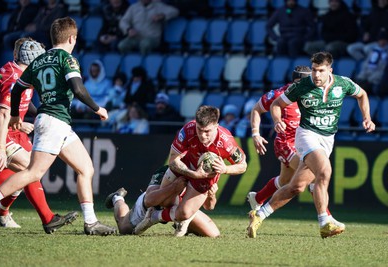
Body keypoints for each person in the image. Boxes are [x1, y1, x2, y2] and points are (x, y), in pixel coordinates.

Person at [0, 17, 116, 236]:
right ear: (72, 38)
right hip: (53, 121)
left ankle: (91, 222)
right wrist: (97, 109)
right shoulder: (68, 59)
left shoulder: (37, 61)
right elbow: (77, 89)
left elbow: (18, 89)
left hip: (57, 122)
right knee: (32, 172)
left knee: (86, 168)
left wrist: (17, 115)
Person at [247, 51, 375, 239]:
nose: (316, 75)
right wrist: (273, 122)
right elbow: (275, 105)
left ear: (330, 70)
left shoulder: (342, 84)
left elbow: (362, 94)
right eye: (314, 70)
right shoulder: (300, 87)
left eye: (320, 70)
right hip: (305, 136)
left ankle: (260, 213)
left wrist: (367, 118)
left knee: (295, 186)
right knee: (324, 171)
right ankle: (325, 221)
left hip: (327, 139)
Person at [0, 37, 78, 232]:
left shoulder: (17, 72)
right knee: (29, 168)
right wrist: (1, 148)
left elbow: (18, 102)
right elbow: (3, 112)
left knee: (25, 171)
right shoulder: (14, 77)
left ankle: (8, 213)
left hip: (8, 129)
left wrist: (34, 118)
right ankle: (46, 218)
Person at [246, 66, 344, 230]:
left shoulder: (316, 94)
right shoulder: (280, 95)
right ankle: (326, 218)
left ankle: (257, 199)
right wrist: (256, 134)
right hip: (286, 143)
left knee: (285, 181)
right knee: (313, 174)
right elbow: (256, 109)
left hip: (304, 142)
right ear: (296, 81)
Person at [134, 105, 247, 237]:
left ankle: (155, 216)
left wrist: (225, 169)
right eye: (199, 130)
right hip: (185, 166)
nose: (203, 136)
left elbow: (243, 165)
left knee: (184, 214)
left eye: (207, 131)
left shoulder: (226, 142)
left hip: (206, 176)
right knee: (164, 202)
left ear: (216, 125)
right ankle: (178, 219)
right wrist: (193, 173)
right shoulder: (188, 130)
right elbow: (173, 160)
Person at [104, 165, 220, 237]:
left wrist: (211, 196)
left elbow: (209, 206)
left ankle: (178, 220)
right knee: (124, 229)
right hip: (155, 206)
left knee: (213, 234)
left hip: (182, 209)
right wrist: (173, 187)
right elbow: (150, 200)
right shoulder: (169, 170)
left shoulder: (205, 176)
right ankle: (117, 198)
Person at [355, 28, 388, 95]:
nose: (382, 42)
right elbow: (366, 66)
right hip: (367, 78)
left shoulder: (386, 54)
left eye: (383, 40)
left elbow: (383, 71)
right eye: (380, 40)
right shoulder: (373, 52)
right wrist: (361, 77)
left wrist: (369, 79)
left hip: (376, 80)